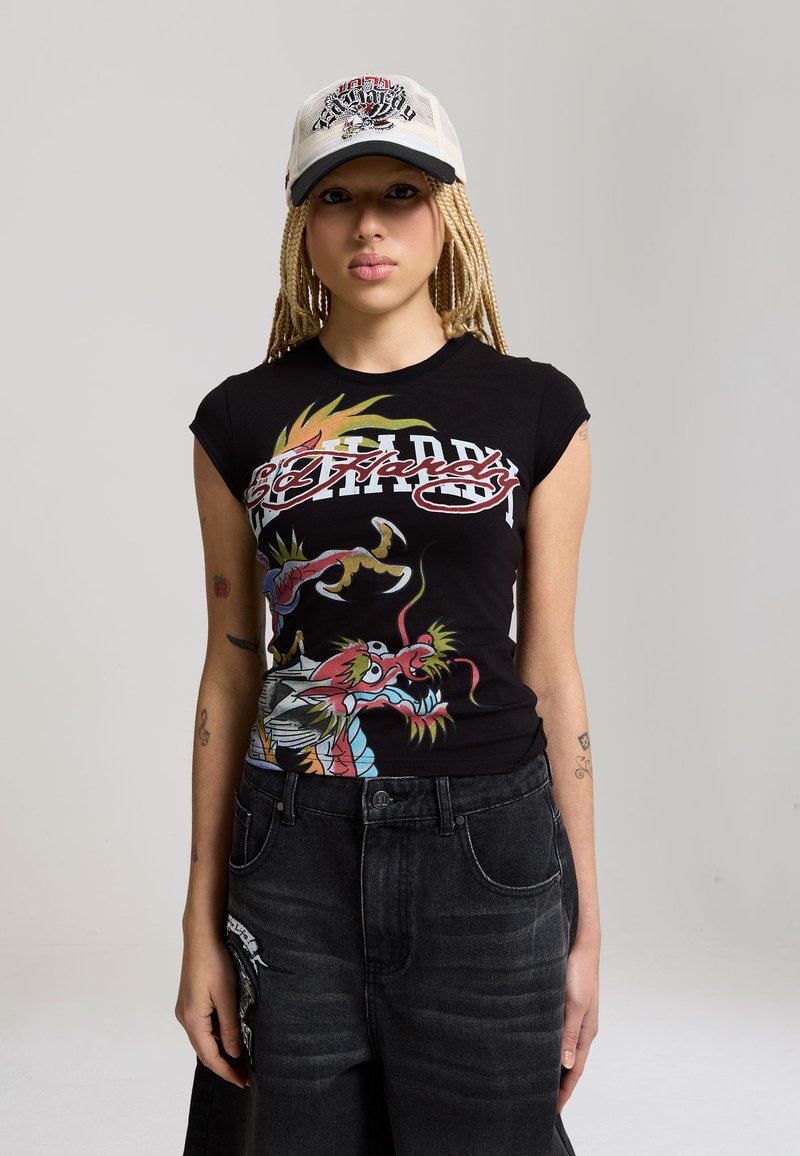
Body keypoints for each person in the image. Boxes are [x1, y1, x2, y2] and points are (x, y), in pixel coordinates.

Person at [176, 72, 600, 1156]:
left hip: (489, 854)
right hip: (291, 850)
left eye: (400, 194)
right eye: (336, 196)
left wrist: (586, 928)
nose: (368, 224)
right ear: (301, 223)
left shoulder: (537, 409)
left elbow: (549, 665)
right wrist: (199, 919)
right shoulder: (239, 420)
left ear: (445, 213)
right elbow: (232, 665)